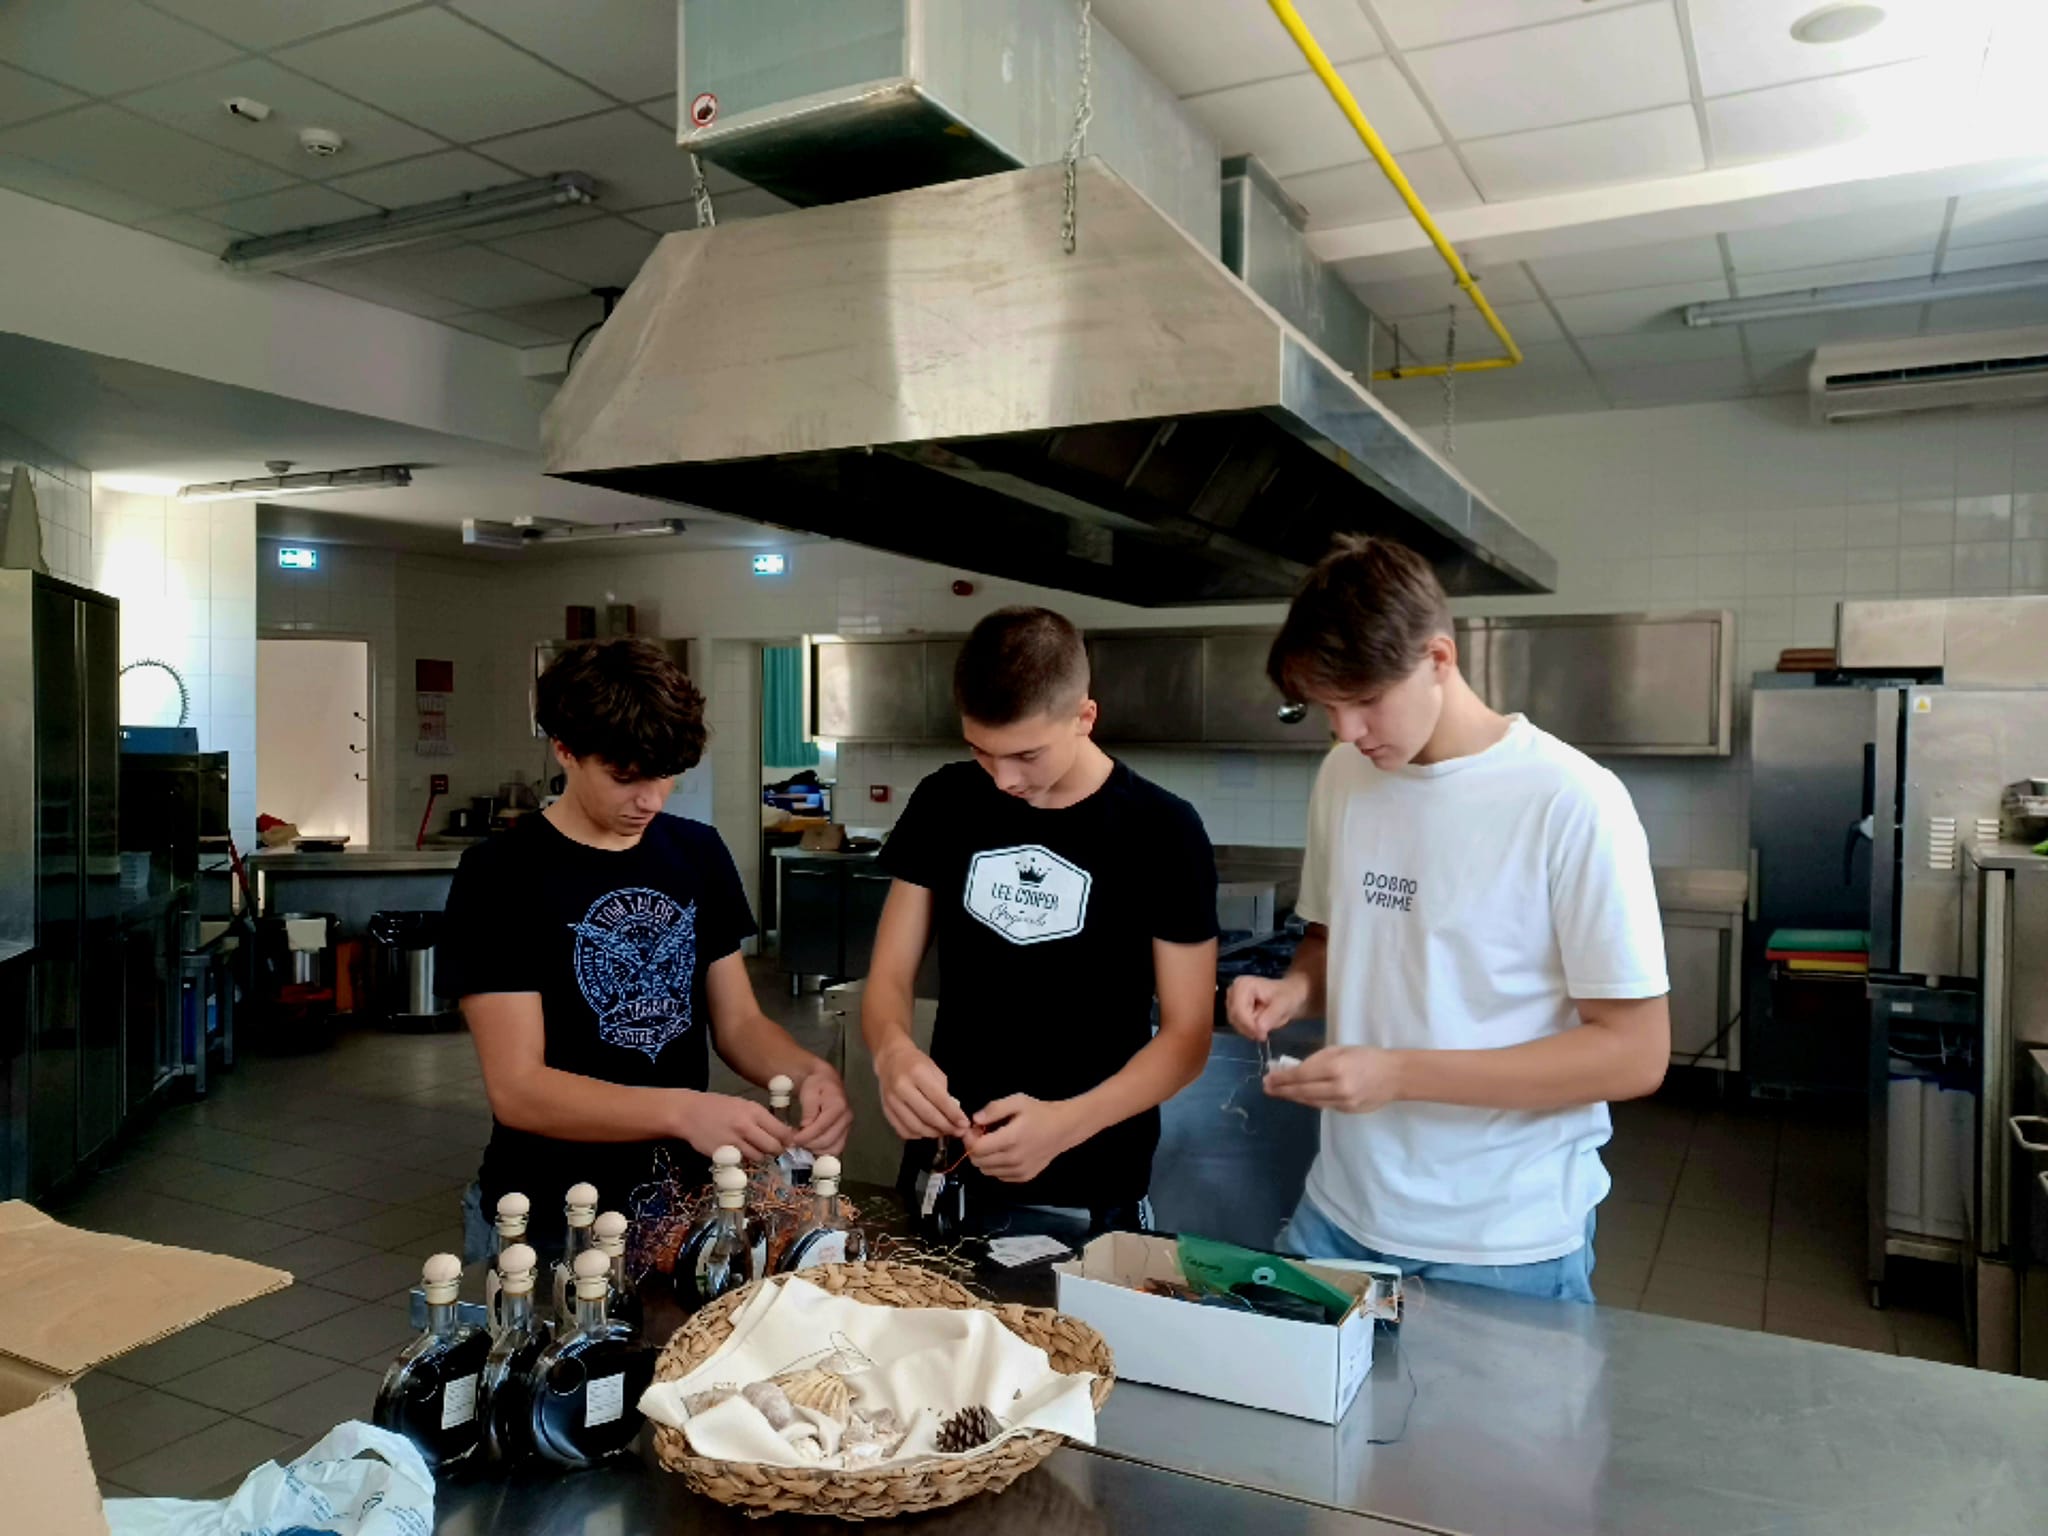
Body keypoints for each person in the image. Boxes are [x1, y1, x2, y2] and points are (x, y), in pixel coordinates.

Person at [1228, 537, 1669, 1303]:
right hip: (1340, 1213)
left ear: (1439, 656)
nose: (1345, 730)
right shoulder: (1346, 776)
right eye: (1328, 707)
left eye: (1365, 700)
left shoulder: (1572, 802)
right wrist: (1296, 988)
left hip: (1502, 1241)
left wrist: (1398, 1074)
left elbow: (1634, 1054)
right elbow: (1341, 936)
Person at [440, 637, 851, 1262]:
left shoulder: (696, 852)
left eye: (664, 777)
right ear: (564, 749)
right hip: (554, 1212)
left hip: (682, 1203)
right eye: (625, 778)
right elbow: (519, 1088)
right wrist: (683, 1111)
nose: (650, 801)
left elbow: (738, 1023)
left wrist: (808, 1072)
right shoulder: (501, 874)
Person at [861, 607, 1219, 1239]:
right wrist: (892, 1050)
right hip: (947, 1179)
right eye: (981, 752)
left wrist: (1067, 1123)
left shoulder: (1163, 830)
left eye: (1026, 754)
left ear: (1085, 717)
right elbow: (888, 977)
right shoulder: (945, 800)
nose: (1002, 780)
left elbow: (1188, 1039)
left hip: (1095, 1194)